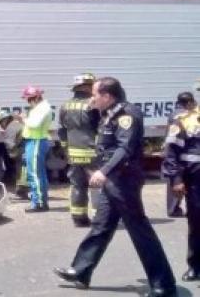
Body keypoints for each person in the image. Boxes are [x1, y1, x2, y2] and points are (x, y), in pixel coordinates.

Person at [54, 77, 177, 297]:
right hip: (114, 180)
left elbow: (125, 149)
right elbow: (97, 135)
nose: (91, 98)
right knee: (102, 224)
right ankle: (81, 270)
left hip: (124, 180)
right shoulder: (107, 112)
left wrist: (103, 171)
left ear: (107, 96)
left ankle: (164, 285)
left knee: (140, 231)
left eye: (95, 94)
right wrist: (92, 111)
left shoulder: (127, 115)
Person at [161, 92, 200, 282]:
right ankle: (195, 266)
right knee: (197, 225)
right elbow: (171, 152)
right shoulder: (183, 119)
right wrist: (176, 179)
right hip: (195, 181)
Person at [58, 73, 100, 227]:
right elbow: (100, 129)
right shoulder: (93, 105)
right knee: (98, 185)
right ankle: (99, 218)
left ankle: (78, 218)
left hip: (74, 153)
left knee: (77, 186)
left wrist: (66, 149)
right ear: (87, 86)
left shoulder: (65, 106)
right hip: (93, 153)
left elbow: (62, 131)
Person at [16, 86, 52, 212]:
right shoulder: (39, 108)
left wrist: (23, 119)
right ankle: (41, 201)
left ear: (36, 97)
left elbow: (34, 124)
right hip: (34, 141)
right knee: (38, 174)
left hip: (36, 142)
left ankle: (39, 203)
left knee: (35, 174)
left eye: (29, 99)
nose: (28, 101)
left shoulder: (42, 108)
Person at [164, 93, 195, 218]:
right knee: (179, 182)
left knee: (174, 180)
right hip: (183, 154)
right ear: (189, 103)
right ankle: (176, 208)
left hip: (174, 153)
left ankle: (173, 208)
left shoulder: (174, 114)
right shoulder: (184, 116)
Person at [0, 110, 28, 200]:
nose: (1, 126)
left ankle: (22, 192)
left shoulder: (10, 128)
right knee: (24, 173)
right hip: (26, 149)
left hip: (23, 151)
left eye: (0, 123)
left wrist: (11, 155)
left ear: (5, 120)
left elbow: (10, 144)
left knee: (22, 173)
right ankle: (23, 191)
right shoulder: (16, 124)